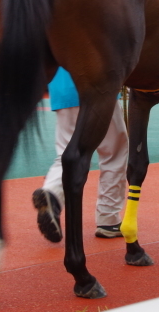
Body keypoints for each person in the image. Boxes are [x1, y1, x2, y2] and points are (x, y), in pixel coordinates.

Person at [32, 67, 128, 242]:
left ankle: (52, 192)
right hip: (100, 87)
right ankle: (108, 218)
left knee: (67, 153)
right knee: (113, 152)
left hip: (61, 90)